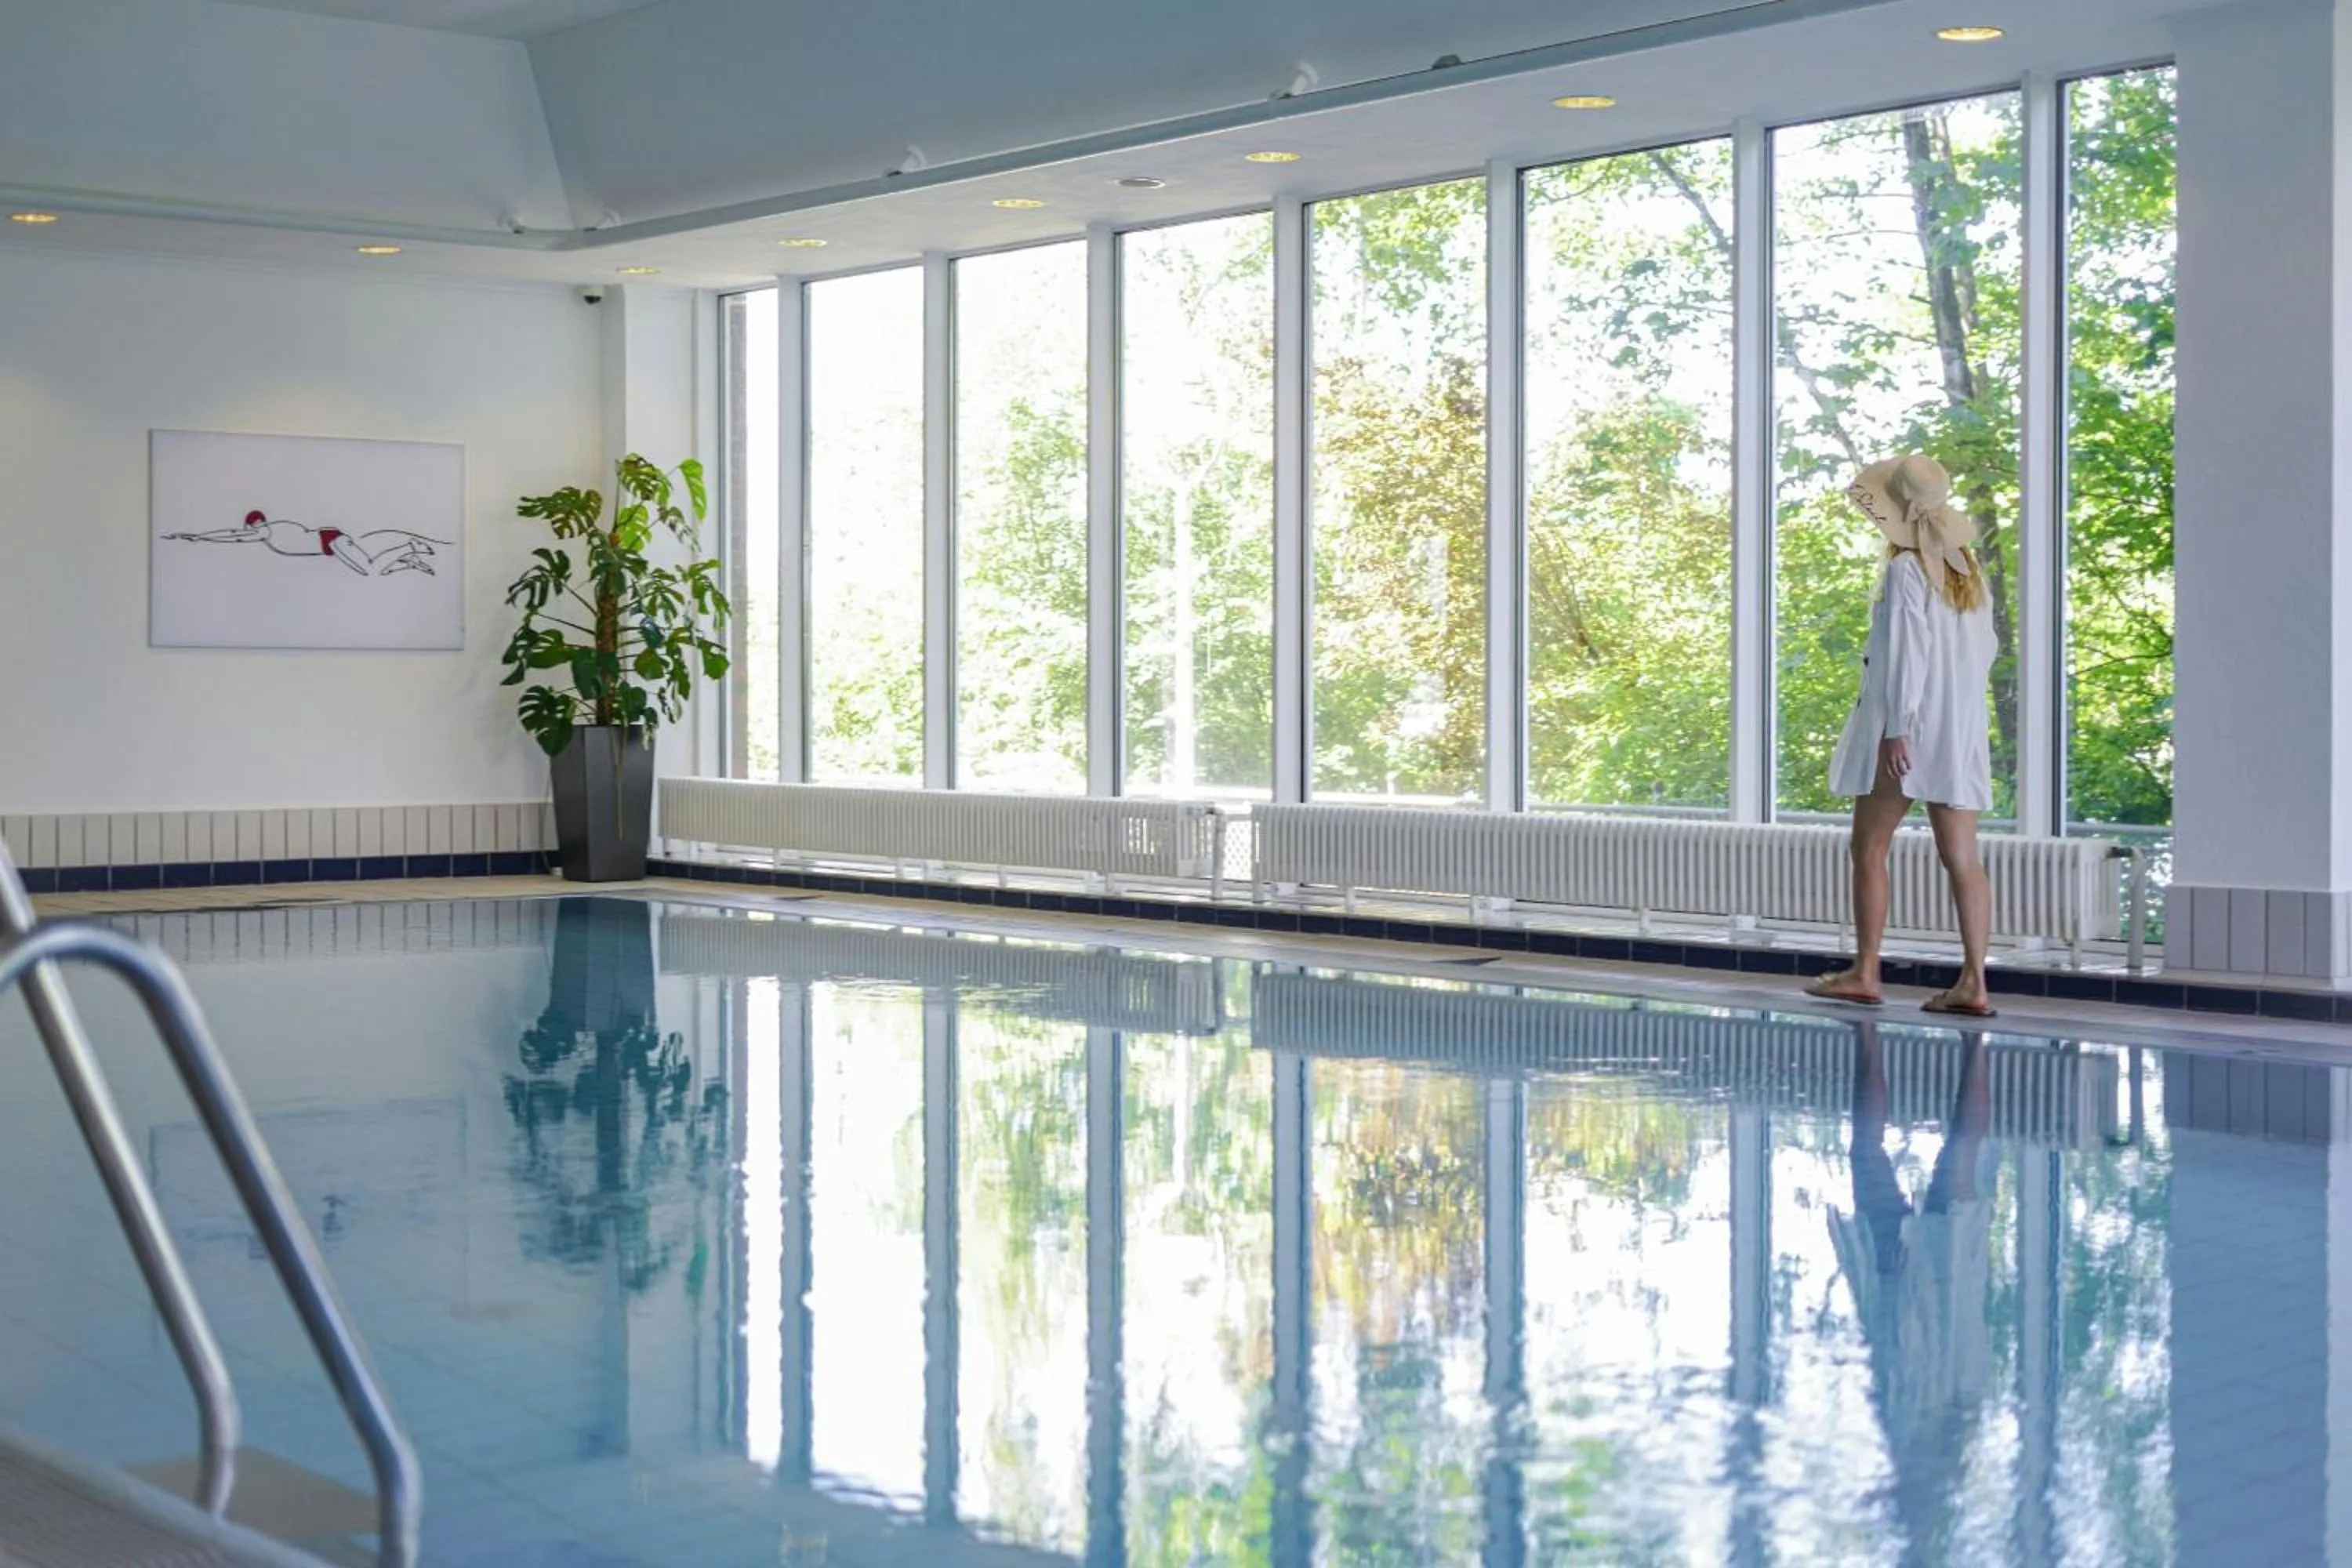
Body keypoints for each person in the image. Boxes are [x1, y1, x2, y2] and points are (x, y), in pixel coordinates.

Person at [1805, 455, 2000, 1017]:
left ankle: (1865, 971)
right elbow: (1985, 652)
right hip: (1960, 729)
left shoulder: (1905, 571)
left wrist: (1898, 729)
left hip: (1909, 730)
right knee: (1962, 857)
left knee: (1868, 848)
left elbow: (1905, 656)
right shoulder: (1969, 572)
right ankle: (1974, 983)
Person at [166, 510, 447, 578]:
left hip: (332, 541)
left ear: (256, 524)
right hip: (332, 545)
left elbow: (235, 535)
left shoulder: (266, 531)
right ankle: (407, 562)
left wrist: (201, 537)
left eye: (249, 529)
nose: (248, 534)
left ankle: (410, 547)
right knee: (377, 571)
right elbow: (232, 532)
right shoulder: (271, 530)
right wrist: (200, 536)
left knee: (370, 570)